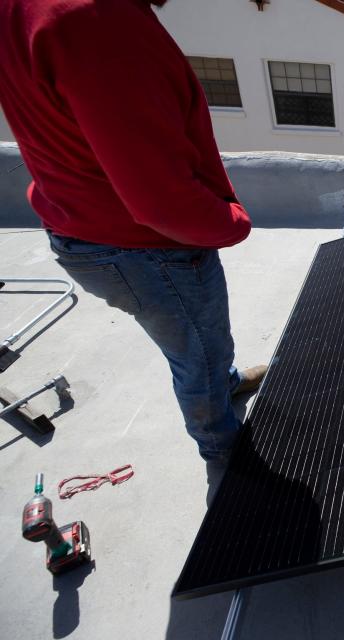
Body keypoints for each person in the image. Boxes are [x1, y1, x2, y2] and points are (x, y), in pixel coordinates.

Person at [0, 0, 264, 463]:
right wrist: (232, 222)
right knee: (197, 356)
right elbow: (159, 199)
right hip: (147, 248)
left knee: (196, 346)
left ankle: (225, 385)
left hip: (82, 225)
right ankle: (223, 449)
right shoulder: (96, 22)